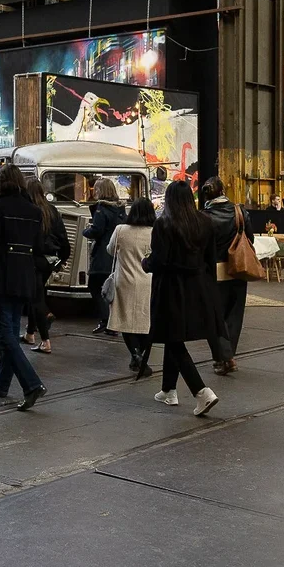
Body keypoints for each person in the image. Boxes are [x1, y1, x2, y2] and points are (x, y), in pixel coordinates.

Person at [0, 164, 47, 410]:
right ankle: (1, 384)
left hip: (1, 276)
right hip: (24, 277)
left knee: (4, 333)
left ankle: (32, 384)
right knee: (12, 328)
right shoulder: (34, 211)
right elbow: (38, 248)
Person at [145, 180, 222, 416]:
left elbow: (159, 261)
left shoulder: (164, 225)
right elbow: (211, 259)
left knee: (173, 338)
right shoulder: (205, 222)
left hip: (171, 288)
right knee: (173, 337)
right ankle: (168, 390)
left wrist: (145, 263)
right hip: (198, 288)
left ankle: (201, 392)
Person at [201, 177, 253, 376]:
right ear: (223, 190)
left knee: (215, 317)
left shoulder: (204, 217)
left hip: (213, 272)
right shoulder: (240, 212)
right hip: (238, 269)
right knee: (234, 315)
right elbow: (250, 238)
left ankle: (224, 357)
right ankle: (228, 356)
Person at [109, 196, 156, 378]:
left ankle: (135, 354)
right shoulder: (155, 232)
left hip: (125, 281)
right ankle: (140, 356)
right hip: (148, 281)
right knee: (146, 322)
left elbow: (110, 250)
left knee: (126, 320)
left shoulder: (121, 230)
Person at [22, 177, 69, 353]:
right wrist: (63, 258)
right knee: (38, 292)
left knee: (36, 299)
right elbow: (63, 237)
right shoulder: (51, 210)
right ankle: (29, 333)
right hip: (50, 260)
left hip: (33, 259)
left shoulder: (28, 211)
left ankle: (45, 341)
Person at [82, 177, 126, 336]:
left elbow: (96, 231)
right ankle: (114, 321)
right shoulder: (120, 209)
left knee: (94, 286)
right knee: (112, 287)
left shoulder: (101, 209)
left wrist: (85, 231)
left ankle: (106, 320)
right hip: (116, 255)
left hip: (102, 254)